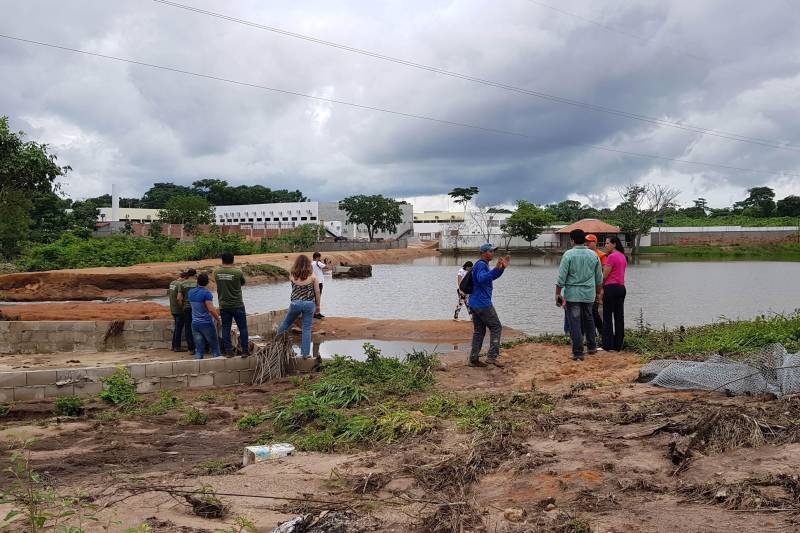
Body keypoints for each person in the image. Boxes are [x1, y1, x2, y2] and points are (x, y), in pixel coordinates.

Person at [556, 229, 603, 361]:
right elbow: (599, 278)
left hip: (573, 294)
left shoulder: (568, 255)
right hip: (589, 293)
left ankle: (578, 352)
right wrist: (599, 293)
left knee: (575, 322)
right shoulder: (594, 255)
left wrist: (557, 294)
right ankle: (592, 347)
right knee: (589, 318)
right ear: (584, 240)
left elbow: (561, 278)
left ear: (572, 240)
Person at [468, 244, 509, 368]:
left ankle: (473, 359)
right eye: (491, 251)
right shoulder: (481, 264)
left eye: (493, 251)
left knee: (479, 331)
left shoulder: (483, 264)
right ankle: (492, 357)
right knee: (496, 327)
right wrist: (496, 268)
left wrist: (501, 269)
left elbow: (491, 277)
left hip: (475, 303)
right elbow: (481, 279)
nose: (493, 253)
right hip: (482, 303)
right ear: (484, 252)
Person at [276, 255, 321, 358]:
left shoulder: (292, 275)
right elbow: (317, 292)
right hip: (309, 304)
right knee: (306, 328)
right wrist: (318, 306)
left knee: (286, 323)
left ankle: (275, 341)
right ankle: (305, 354)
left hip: (295, 303)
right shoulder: (313, 276)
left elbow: (294, 286)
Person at [215, 252, 249, 357]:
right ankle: (244, 351)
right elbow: (243, 282)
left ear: (222, 260)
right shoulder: (238, 272)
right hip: (237, 304)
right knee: (242, 328)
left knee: (226, 328)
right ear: (233, 260)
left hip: (224, 305)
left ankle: (229, 351)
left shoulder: (216, 272)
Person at [602, 236, 628, 352]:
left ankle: (608, 345)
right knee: (619, 317)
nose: (606, 245)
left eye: (607, 243)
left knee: (607, 317)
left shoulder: (611, 257)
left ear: (614, 244)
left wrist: (599, 287)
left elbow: (604, 276)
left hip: (611, 288)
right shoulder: (623, 256)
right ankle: (618, 345)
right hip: (621, 288)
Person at [188, 273, 222, 359]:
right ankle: (217, 365)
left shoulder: (190, 292)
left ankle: (198, 367)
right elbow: (211, 309)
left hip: (195, 323)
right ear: (207, 282)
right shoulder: (207, 294)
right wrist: (218, 320)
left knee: (199, 349)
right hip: (206, 323)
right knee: (215, 348)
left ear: (197, 282)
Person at [585, 234, 607, 341]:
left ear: (595, 242)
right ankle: (592, 334)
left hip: (597, 288)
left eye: (589, 241)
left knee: (594, 311)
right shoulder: (585, 254)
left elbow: (603, 274)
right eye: (586, 241)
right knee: (588, 312)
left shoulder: (601, 255)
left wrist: (601, 290)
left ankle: (602, 333)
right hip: (587, 287)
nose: (587, 243)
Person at [176, 268, 197, 353]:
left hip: (186, 308)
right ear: (195, 274)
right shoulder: (197, 283)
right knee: (198, 327)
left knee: (188, 327)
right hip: (196, 307)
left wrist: (182, 306)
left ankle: (191, 348)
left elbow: (179, 298)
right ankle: (201, 347)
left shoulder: (182, 284)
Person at [168, 271, 189, 352]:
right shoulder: (180, 284)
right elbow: (179, 298)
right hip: (179, 310)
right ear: (184, 278)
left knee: (177, 328)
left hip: (173, 309)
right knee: (178, 329)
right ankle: (177, 347)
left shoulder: (172, 283)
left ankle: (174, 346)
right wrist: (182, 307)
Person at [311, 252, 331, 319]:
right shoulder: (318, 263)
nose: (320, 259)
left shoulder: (311, 263)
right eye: (319, 257)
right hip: (319, 282)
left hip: (312, 282)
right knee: (318, 298)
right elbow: (327, 267)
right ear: (317, 257)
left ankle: (314, 312)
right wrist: (326, 262)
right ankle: (317, 313)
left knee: (313, 298)